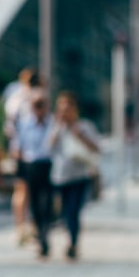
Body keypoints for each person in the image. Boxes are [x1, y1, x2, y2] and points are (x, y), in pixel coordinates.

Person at [48, 91, 101, 259]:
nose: (65, 113)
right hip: (60, 176)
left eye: (68, 108)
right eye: (62, 109)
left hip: (80, 175)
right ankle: (71, 238)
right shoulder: (57, 127)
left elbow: (97, 148)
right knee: (65, 212)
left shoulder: (85, 126)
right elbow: (48, 148)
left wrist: (80, 135)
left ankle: (73, 242)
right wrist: (57, 129)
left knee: (74, 211)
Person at [3, 67, 43, 244]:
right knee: (36, 190)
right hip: (34, 151)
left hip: (17, 149)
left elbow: (9, 126)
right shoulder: (37, 98)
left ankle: (20, 227)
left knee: (21, 189)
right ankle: (34, 226)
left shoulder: (13, 98)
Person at [14, 88, 53, 257]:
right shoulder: (25, 123)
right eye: (36, 105)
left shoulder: (53, 123)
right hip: (32, 165)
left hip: (50, 164)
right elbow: (18, 147)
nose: (39, 109)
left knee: (48, 202)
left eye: (42, 105)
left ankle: (46, 228)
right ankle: (40, 234)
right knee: (35, 202)